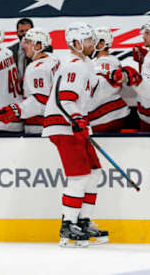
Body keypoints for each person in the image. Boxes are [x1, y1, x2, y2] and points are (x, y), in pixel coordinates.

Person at [42, 22, 108, 248]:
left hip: (75, 124)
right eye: (89, 40)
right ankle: (68, 225)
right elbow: (65, 97)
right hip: (65, 125)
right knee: (79, 177)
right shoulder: (73, 65)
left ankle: (83, 221)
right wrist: (77, 119)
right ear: (77, 43)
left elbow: (91, 95)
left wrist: (115, 78)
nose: (93, 44)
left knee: (94, 174)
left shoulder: (86, 64)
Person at [0, 27, 59, 134]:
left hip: (39, 126)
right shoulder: (54, 59)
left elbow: (40, 101)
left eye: (29, 42)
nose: (24, 46)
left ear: (38, 46)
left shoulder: (37, 68)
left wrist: (17, 110)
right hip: (54, 123)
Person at [88, 27, 129, 132]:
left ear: (101, 44)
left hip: (106, 117)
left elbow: (102, 89)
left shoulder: (105, 62)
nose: (89, 45)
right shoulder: (100, 60)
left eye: (93, 41)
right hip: (109, 115)